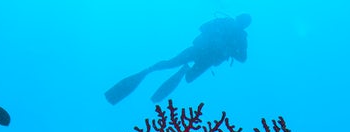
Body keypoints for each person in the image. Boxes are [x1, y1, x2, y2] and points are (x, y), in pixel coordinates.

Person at [105, 14, 252, 105]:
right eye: (239, 20)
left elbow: (243, 58)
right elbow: (202, 27)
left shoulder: (241, 38)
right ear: (237, 18)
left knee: (188, 77)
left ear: (244, 25)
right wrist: (216, 37)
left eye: (242, 23)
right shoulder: (223, 22)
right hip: (197, 50)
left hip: (207, 60)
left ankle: (182, 70)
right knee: (171, 63)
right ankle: (149, 71)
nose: (238, 23)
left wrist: (229, 48)